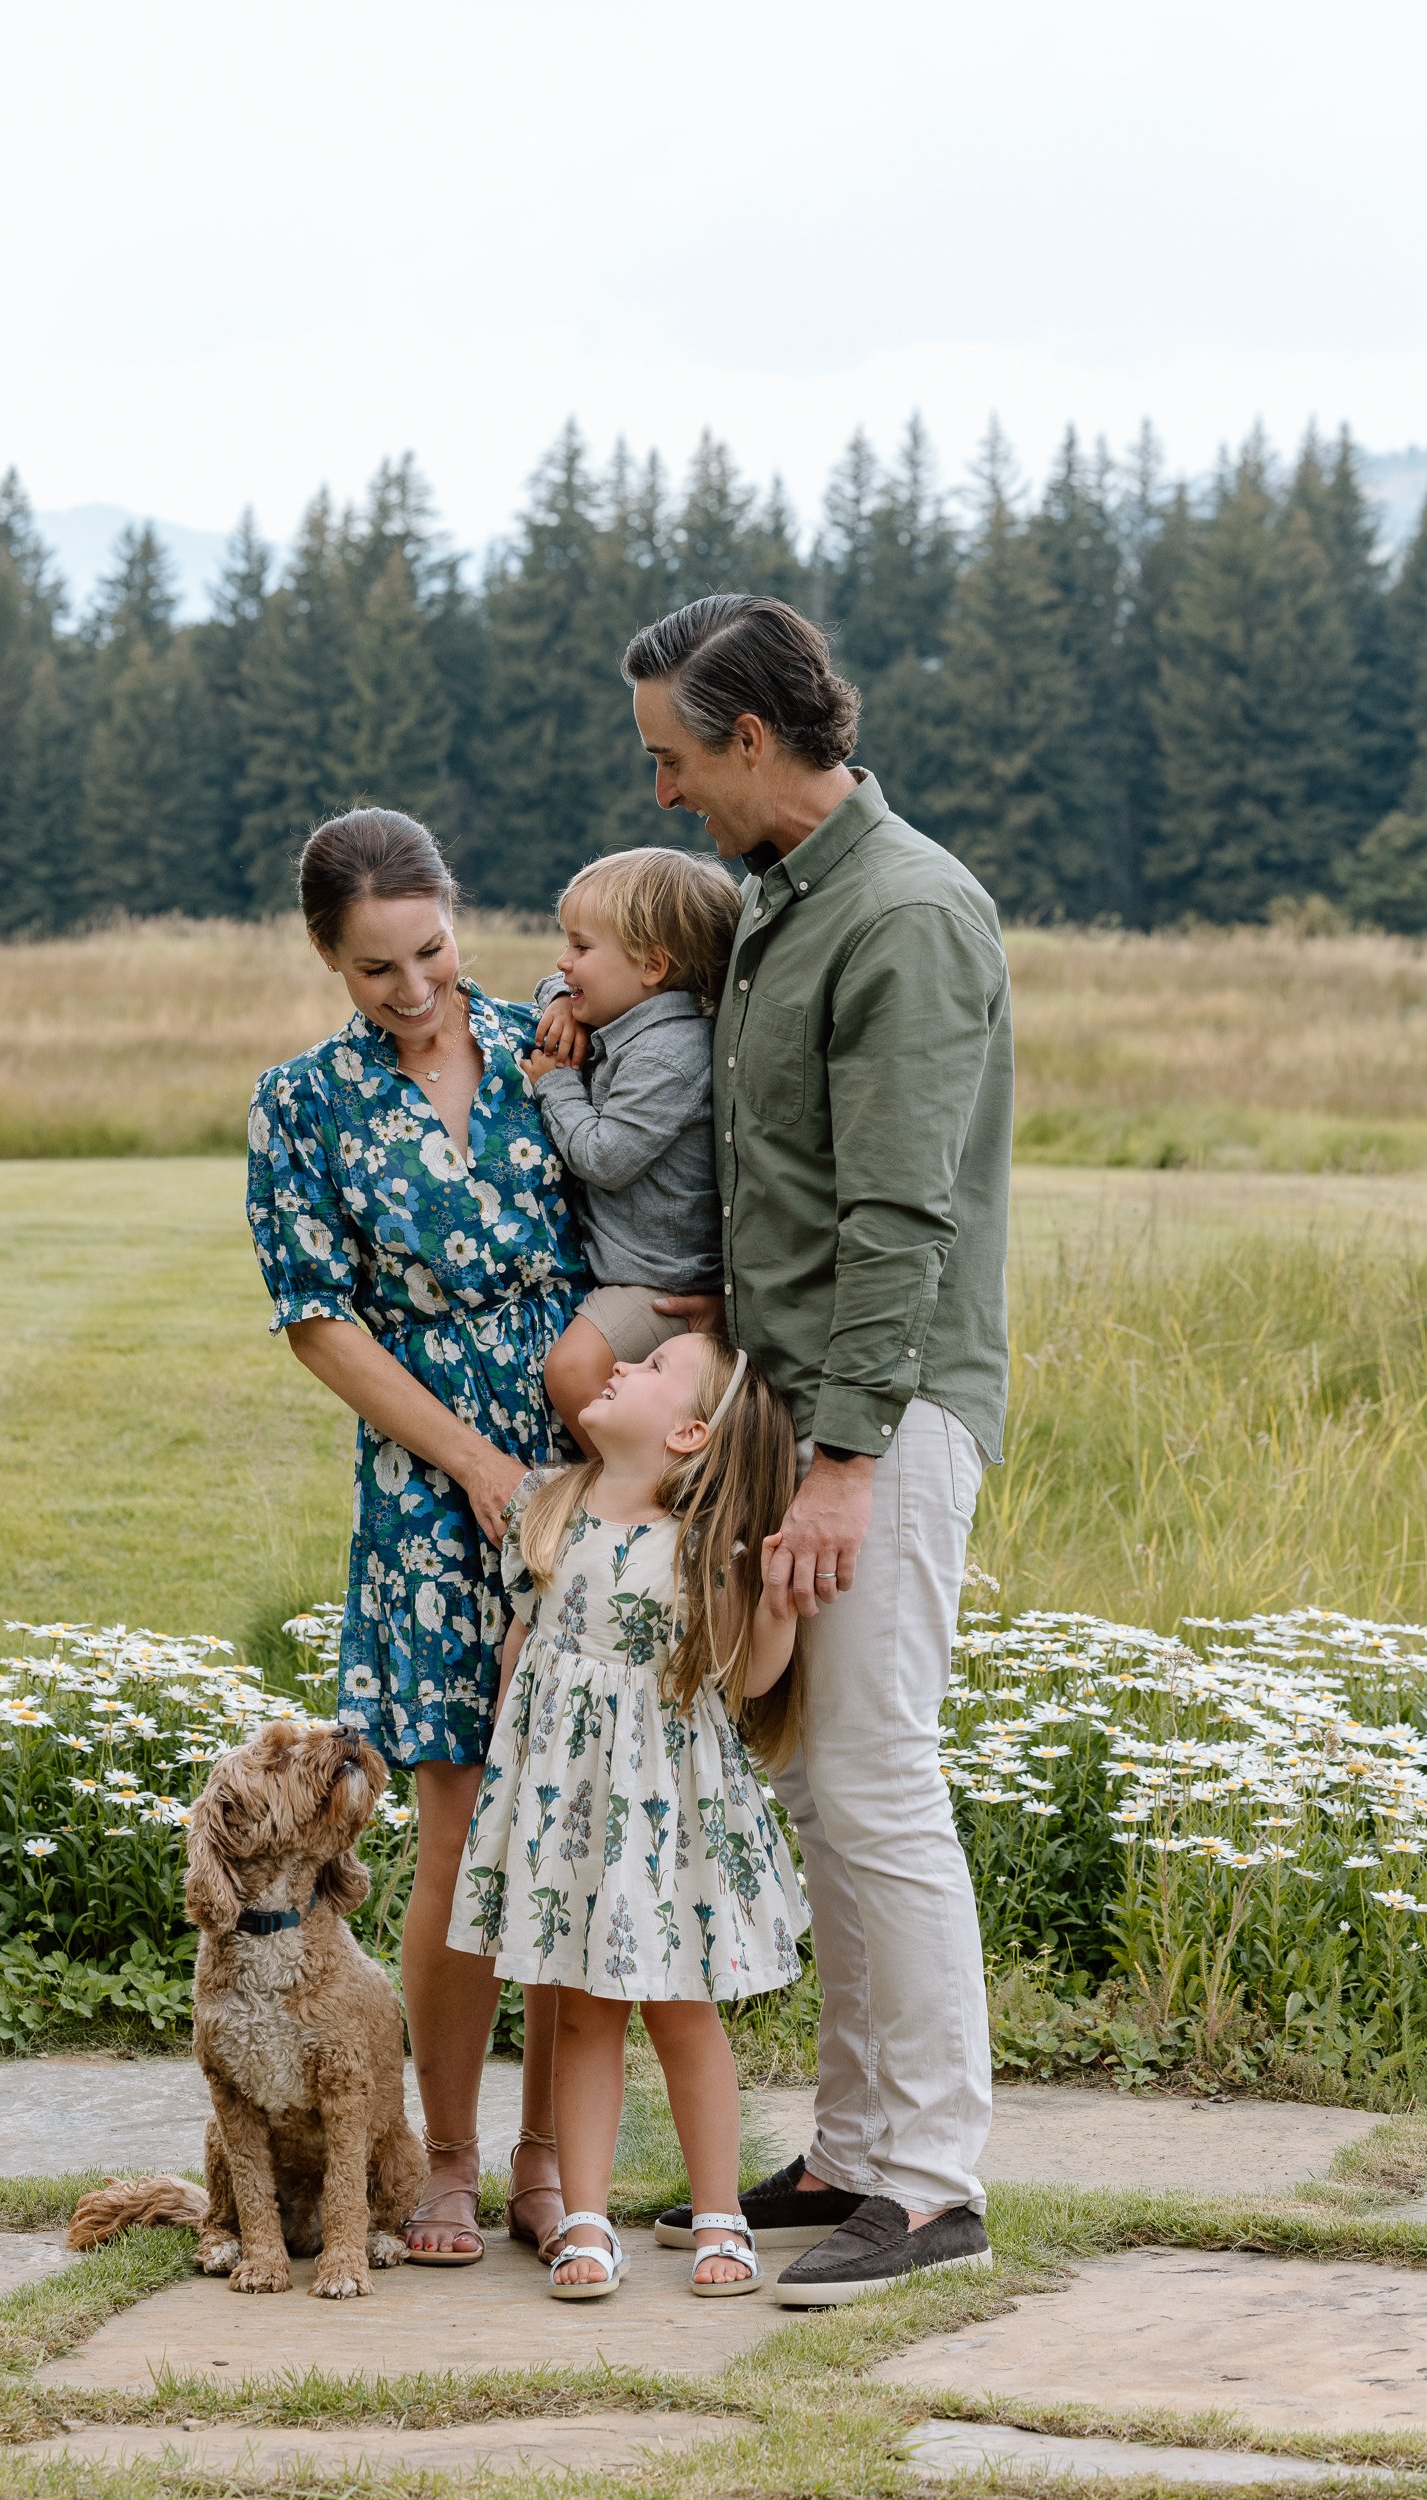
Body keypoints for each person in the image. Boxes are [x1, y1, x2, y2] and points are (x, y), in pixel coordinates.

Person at [625, 595, 1013, 2305]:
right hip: (799, 1405)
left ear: (754, 742)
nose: (660, 795)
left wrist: (847, 1461)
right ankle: (853, 2150)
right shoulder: (788, 899)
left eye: (671, 758)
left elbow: (899, 1212)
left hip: (887, 1408)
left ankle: (929, 2187)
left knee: (871, 1774)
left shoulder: (908, 915)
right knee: (821, 1783)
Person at [245, 806, 588, 2268]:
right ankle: (442, 2158)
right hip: (425, 1494)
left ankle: (551, 2162)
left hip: (588, 1477)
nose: (413, 987)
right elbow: (319, 1319)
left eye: (431, 948)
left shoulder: (553, 1042)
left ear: (457, 914)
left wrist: (583, 1460)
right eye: (375, 967)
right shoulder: (302, 1104)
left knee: (570, 1825)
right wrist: (471, 1465)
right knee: (453, 1831)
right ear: (329, 956)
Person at [446, 1330, 809, 2300]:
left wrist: (775, 1604)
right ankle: (585, 2219)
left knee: (682, 2013)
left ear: (690, 1431)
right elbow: (522, 1650)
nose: (622, 1366)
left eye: (653, 1369)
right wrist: (508, 1789)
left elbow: (751, 1680)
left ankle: (720, 2210)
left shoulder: (705, 1548)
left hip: (662, 1816)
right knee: (582, 2015)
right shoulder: (550, 1506)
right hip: (567, 1810)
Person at [523, 847, 741, 1449]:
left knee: (572, 1372)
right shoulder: (624, 1017)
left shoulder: (671, 1055)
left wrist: (557, 1082)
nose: (564, 962)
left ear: (652, 966)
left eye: (582, 948)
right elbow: (553, 982)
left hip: (660, 1282)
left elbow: (604, 1157)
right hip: (630, 1269)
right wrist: (561, 1004)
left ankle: (626, 1505)